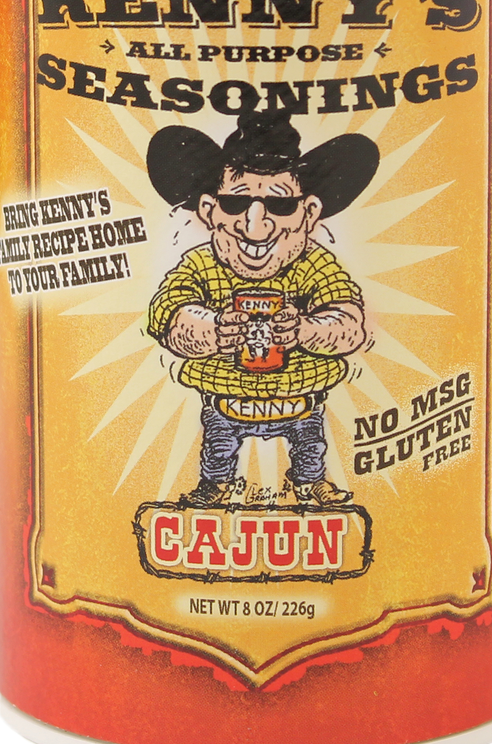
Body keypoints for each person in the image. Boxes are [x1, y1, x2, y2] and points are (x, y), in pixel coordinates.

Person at [146, 110, 379, 508]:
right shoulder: (200, 266)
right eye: (235, 203)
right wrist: (212, 329)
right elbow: (168, 313)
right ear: (209, 210)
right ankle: (214, 487)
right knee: (218, 447)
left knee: (310, 445)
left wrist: (307, 330)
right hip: (225, 400)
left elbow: (349, 322)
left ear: (309, 213)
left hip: (300, 400)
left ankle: (311, 483)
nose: (255, 226)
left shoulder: (316, 266)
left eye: (280, 205)